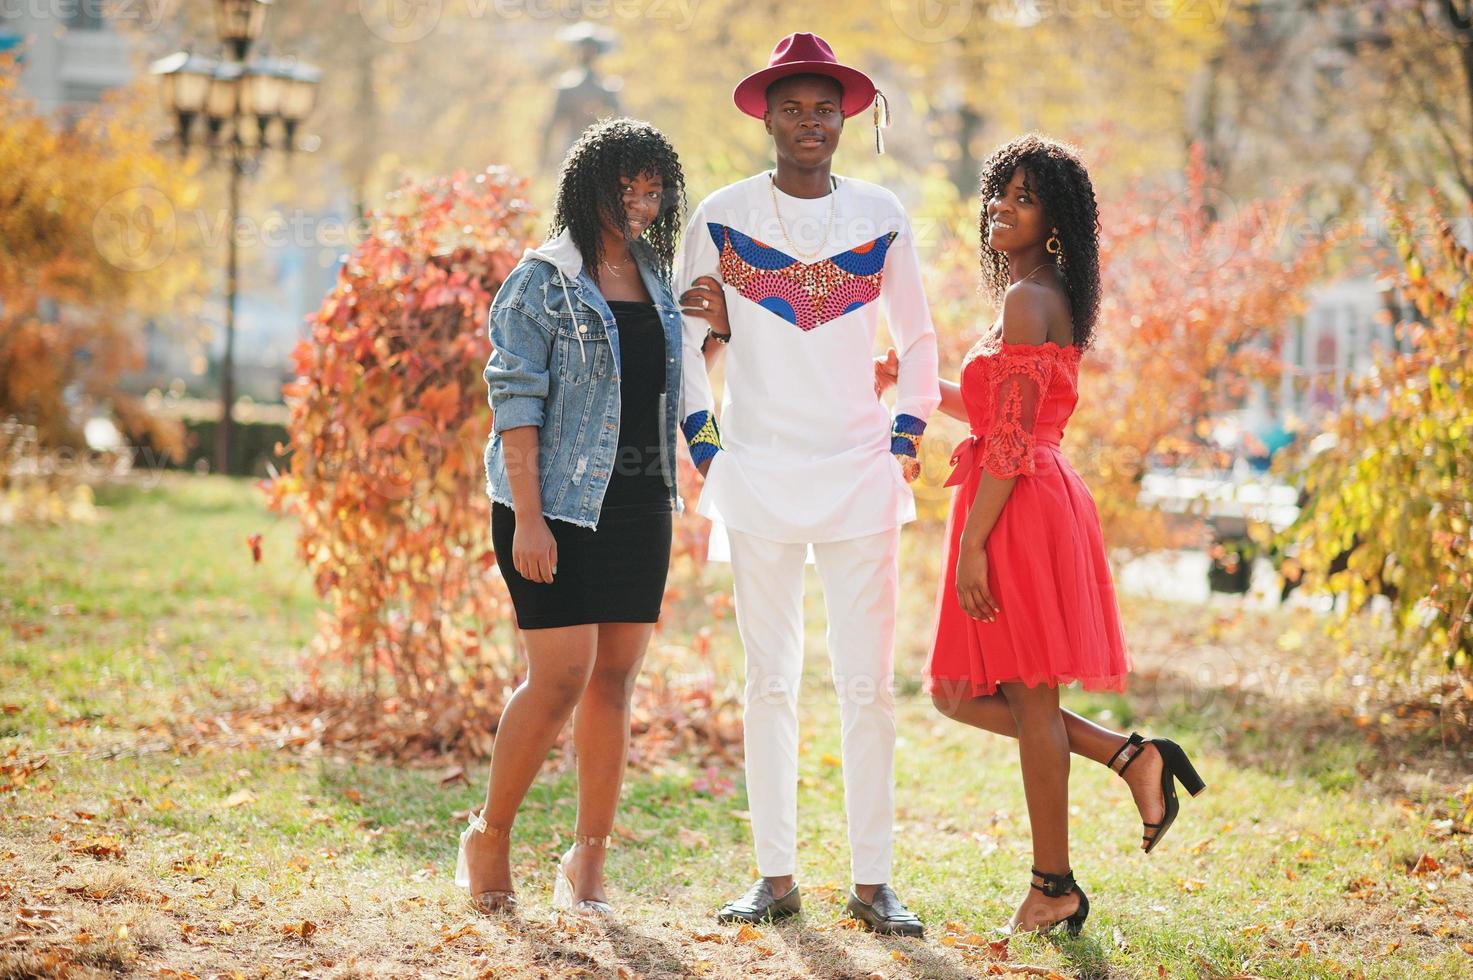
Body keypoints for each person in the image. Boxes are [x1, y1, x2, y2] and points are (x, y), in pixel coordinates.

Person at [876, 133, 1206, 937]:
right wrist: (912, 385)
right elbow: (1004, 416)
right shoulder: (1036, 293)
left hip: (1018, 507)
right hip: (1023, 495)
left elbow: (1012, 443)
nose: (1001, 206)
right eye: (998, 192)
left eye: (1022, 197)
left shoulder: (1028, 299)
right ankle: (1131, 758)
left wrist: (972, 545)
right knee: (960, 693)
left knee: (1026, 699)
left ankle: (1052, 885)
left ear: (1052, 220)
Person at [679, 32, 940, 936]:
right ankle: (775, 876)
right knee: (769, 682)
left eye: (823, 107)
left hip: (860, 476)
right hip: (754, 473)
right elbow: (688, 343)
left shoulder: (882, 212)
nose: (808, 122)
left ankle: (874, 883)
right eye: (792, 107)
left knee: (866, 684)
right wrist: (704, 445)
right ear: (766, 114)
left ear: (844, 116)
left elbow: (919, 341)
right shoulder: (718, 215)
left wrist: (905, 433)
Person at [458, 117, 698, 918]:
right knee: (558, 677)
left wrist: (713, 328)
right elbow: (515, 404)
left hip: (636, 502)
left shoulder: (657, 276)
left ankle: (587, 859)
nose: (639, 199)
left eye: (651, 186)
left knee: (614, 681)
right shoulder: (539, 279)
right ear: (587, 186)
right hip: (552, 504)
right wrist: (528, 517)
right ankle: (489, 834)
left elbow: (670, 384)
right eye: (624, 185)